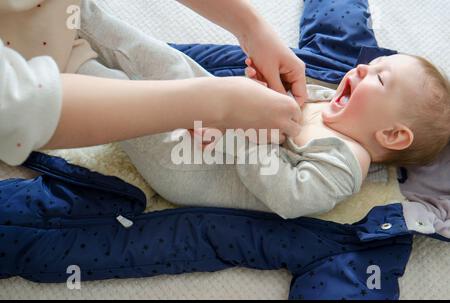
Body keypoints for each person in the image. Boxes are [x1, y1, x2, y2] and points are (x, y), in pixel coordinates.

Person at [121, 53, 450, 219]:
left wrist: (238, 137)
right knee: (173, 65)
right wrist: (266, 89)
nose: (361, 69)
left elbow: (291, 196)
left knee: (125, 103)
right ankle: (88, 21)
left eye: (379, 79)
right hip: (214, 117)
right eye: (371, 64)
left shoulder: (347, 162)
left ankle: (80, 70)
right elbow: (282, 106)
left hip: (194, 168)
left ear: (392, 134)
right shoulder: (329, 103)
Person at [0, 0, 306, 166]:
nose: (356, 72)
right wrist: (218, 103)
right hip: (27, 71)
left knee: (172, 70)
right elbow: (19, 105)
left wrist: (250, 26)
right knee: (168, 149)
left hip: (63, 19)